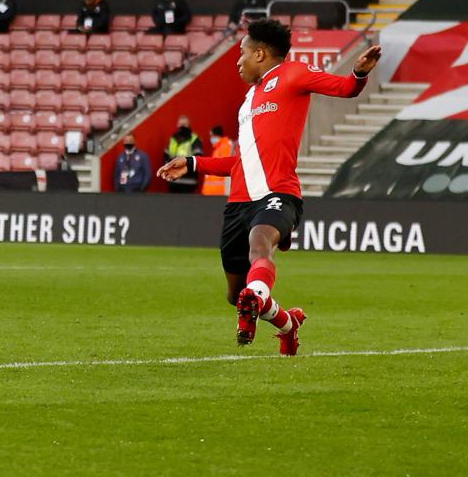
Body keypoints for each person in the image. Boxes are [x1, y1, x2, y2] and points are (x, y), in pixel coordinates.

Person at [158, 20, 381, 356]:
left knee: (259, 243)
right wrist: (192, 163)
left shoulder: (293, 73)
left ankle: (257, 296)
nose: (238, 61)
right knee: (235, 295)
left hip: (279, 193)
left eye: (242, 53)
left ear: (260, 53)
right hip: (238, 204)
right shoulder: (247, 102)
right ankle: (288, 324)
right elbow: (240, 163)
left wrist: (359, 73)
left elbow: (345, 88)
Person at [163, 116, 203, 194]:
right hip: (173, 182)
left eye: (184, 124)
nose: (182, 126)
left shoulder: (194, 139)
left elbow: (198, 159)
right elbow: (165, 157)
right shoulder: (173, 139)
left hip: (189, 182)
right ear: (177, 125)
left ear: (189, 125)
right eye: (180, 124)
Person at [201, 125, 233, 196]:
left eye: (212, 136)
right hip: (215, 192)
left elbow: (224, 167)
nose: (211, 138)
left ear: (216, 135)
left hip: (219, 192)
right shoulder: (218, 148)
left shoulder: (225, 147)